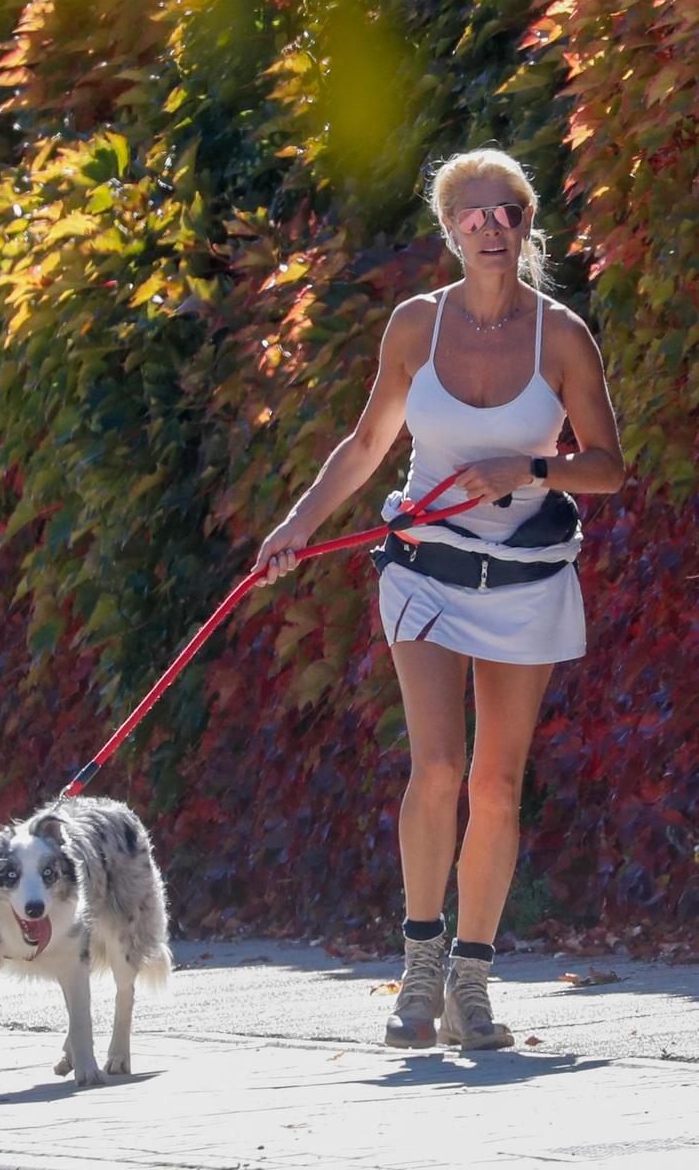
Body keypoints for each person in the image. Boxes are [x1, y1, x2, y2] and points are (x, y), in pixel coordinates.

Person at [252, 148, 624, 1051]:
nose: (491, 228)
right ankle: (417, 976)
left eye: (508, 214)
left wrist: (528, 467)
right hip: (423, 568)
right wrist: (296, 525)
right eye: (474, 215)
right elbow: (368, 438)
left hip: (527, 579)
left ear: (527, 227)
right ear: (449, 229)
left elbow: (607, 467)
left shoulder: (562, 335)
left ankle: (473, 983)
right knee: (438, 770)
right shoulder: (414, 327)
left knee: (497, 784)